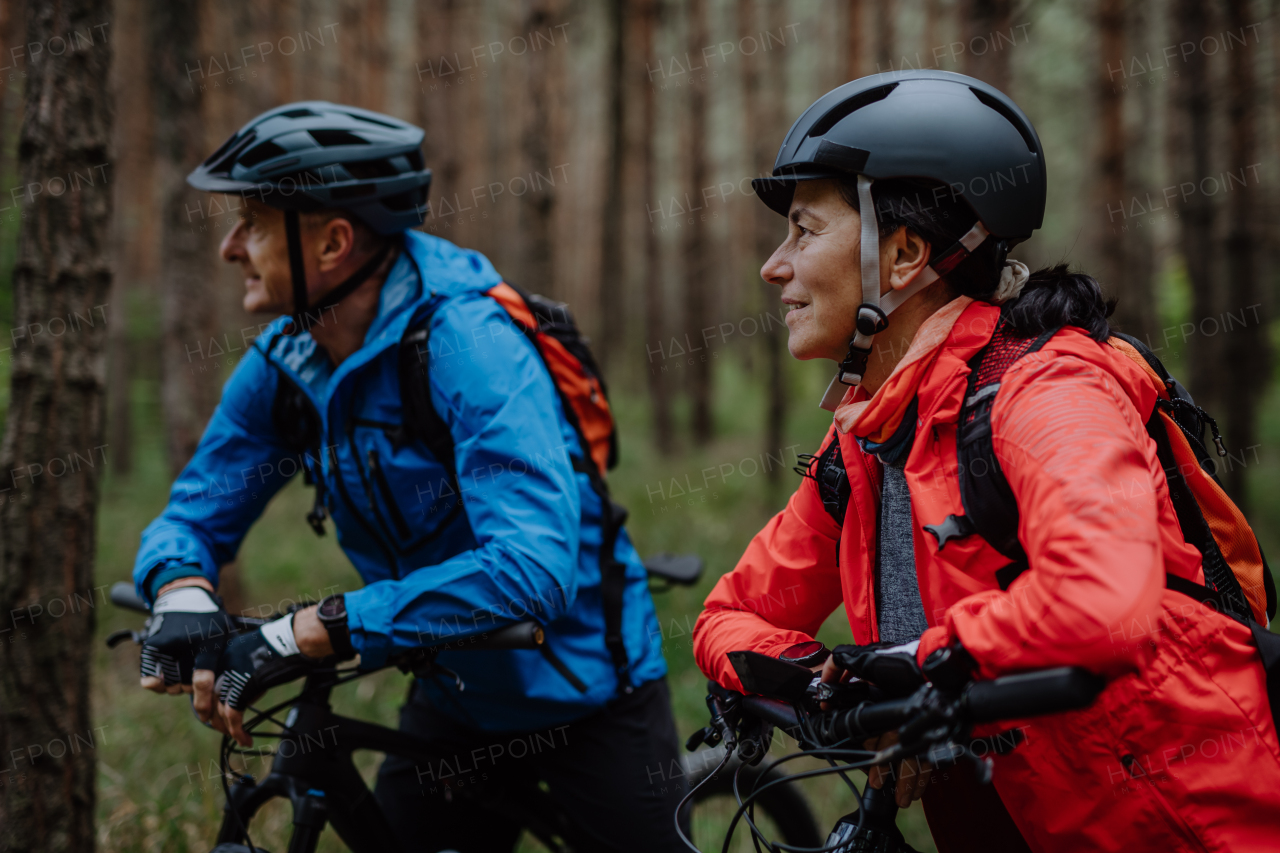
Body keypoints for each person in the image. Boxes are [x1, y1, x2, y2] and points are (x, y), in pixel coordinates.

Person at [691, 70, 1280, 852]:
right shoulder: (867, 440)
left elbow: (1102, 598)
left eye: (804, 231)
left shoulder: (1048, 391)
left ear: (903, 255)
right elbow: (731, 616)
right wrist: (829, 684)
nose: (775, 265)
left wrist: (917, 660)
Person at [132, 101, 686, 852]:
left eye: (255, 221)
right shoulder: (286, 362)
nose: (231, 246)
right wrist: (181, 588)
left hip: (587, 690)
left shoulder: (467, 343)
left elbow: (531, 570)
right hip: (454, 693)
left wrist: (313, 629)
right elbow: (198, 509)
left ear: (332, 241)